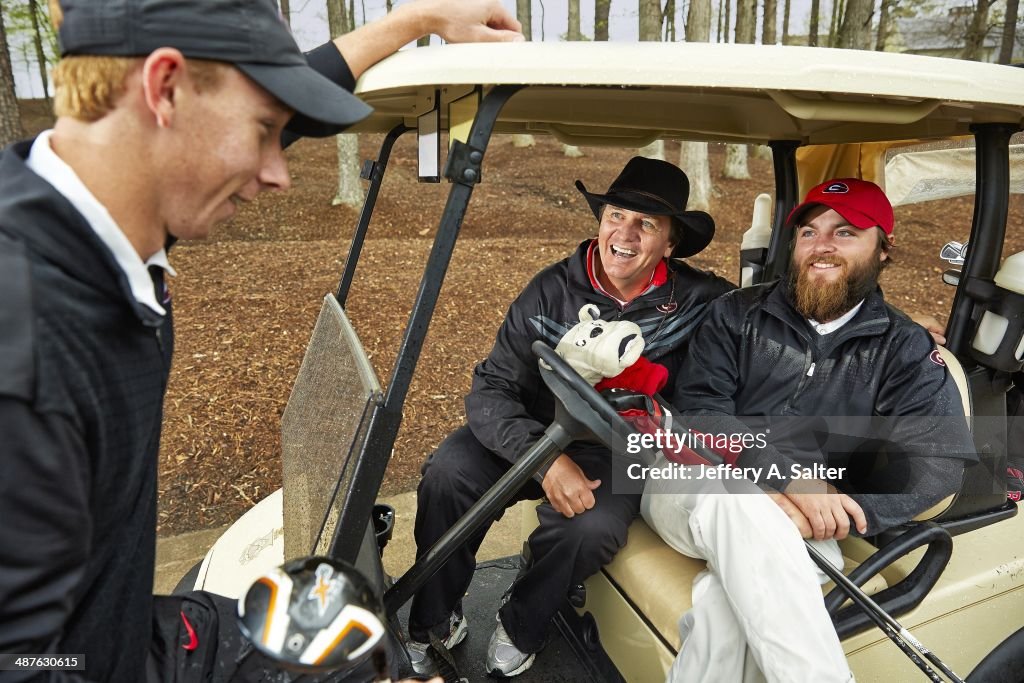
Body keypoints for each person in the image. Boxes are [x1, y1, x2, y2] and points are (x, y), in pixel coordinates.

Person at [0, 1, 522, 681]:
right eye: (267, 132)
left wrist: (413, 19)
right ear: (163, 89)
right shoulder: (32, 349)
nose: (279, 171)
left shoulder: (90, 207)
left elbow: (247, 105)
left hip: (112, 625)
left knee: (349, 633)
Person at [641, 178, 979, 683]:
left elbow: (939, 461)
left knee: (728, 602)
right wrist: (788, 477)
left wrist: (852, 512)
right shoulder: (737, 314)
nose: (821, 246)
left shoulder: (902, 348)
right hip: (693, 482)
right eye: (808, 232)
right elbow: (700, 413)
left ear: (884, 250)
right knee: (739, 504)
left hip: (807, 518)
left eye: (845, 233)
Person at [407, 156, 734, 677]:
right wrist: (547, 462)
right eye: (615, 216)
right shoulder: (551, 289)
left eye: (646, 224)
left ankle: (522, 621)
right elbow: (493, 389)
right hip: (532, 432)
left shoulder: (702, 300)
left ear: (670, 244)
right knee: (448, 475)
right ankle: (433, 617)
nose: (623, 234)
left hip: (616, 446)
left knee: (592, 528)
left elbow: (775, 320)